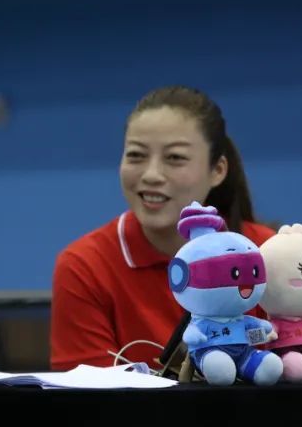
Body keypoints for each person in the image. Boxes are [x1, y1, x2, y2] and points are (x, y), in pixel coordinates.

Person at [50, 86, 275, 371]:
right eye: (136, 155)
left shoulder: (268, 253)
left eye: (175, 158)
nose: (152, 175)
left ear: (217, 170)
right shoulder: (84, 265)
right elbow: (85, 392)